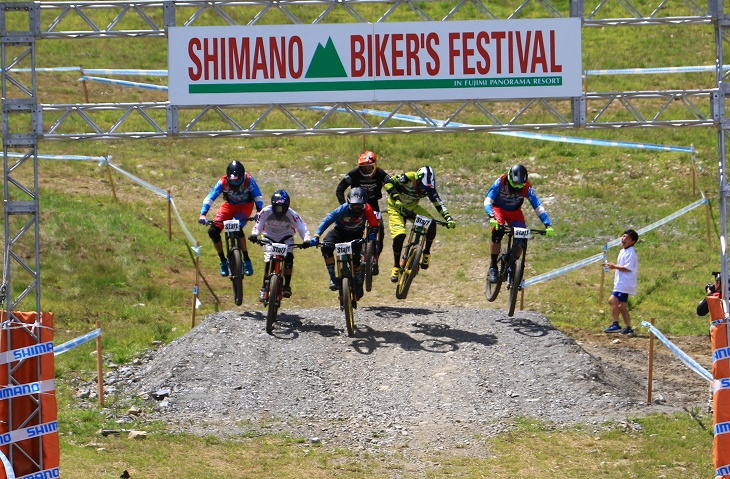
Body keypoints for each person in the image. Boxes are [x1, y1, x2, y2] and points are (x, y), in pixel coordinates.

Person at [484, 164, 554, 284]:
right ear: (510, 179)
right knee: (498, 231)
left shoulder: (527, 187)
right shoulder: (500, 182)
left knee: (523, 238)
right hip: (498, 209)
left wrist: (547, 224)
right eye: (515, 184)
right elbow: (488, 201)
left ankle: (510, 259)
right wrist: (491, 216)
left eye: (520, 185)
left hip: (514, 212)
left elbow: (537, 205)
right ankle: (493, 266)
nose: (517, 188)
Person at [384, 166, 456, 283]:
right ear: (417, 180)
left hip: (412, 208)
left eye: (426, 190)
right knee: (400, 235)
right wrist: (395, 198)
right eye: (422, 187)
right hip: (396, 208)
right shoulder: (407, 178)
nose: (423, 191)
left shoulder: (429, 188)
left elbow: (438, 203)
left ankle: (426, 252)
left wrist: (448, 218)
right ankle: (396, 266)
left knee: (431, 224)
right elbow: (387, 182)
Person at [310, 187, 379, 297]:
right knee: (326, 247)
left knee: (356, 260)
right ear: (348, 203)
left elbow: (374, 225)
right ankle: (333, 277)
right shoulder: (342, 209)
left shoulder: (368, 209)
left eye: (360, 206)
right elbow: (327, 220)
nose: (357, 209)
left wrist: (373, 233)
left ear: (365, 204)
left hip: (356, 235)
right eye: (354, 206)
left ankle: (358, 280)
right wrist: (317, 235)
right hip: (339, 232)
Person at [198, 161, 263, 277]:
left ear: (242, 176)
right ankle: (223, 261)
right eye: (232, 181)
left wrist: (259, 211)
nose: (235, 183)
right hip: (229, 205)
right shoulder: (222, 182)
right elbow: (210, 197)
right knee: (213, 231)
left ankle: (246, 260)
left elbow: (258, 196)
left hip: (245, 206)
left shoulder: (249, 180)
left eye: (237, 180)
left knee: (236, 227)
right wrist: (203, 214)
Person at [248, 190, 311, 302]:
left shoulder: (292, 214)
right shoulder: (265, 211)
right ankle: (264, 288)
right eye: (277, 207)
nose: (279, 211)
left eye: (282, 207)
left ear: (287, 206)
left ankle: (287, 285)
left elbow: (302, 228)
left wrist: (306, 240)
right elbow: (258, 225)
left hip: (285, 237)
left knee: (289, 259)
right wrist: (254, 235)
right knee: (268, 262)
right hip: (269, 236)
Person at [335, 150, 391, 275]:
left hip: (373, 204)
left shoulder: (380, 173)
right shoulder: (353, 174)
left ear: (375, 166)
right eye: (363, 168)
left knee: (380, 229)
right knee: (352, 228)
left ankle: (375, 259)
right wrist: (344, 206)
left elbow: (391, 185)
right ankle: (356, 253)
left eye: (369, 168)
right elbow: (340, 189)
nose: (366, 171)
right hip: (355, 206)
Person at [603, 229, 639, 335]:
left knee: (612, 300)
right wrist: (612, 266)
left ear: (633, 241)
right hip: (621, 282)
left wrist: (614, 267)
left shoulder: (631, 253)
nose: (624, 239)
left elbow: (628, 268)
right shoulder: (623, 251)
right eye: (623, 236)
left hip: (625, 283)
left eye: (627, 238)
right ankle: (628, 327)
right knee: (621, 306)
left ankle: (615, 324)